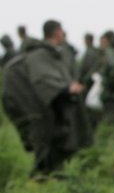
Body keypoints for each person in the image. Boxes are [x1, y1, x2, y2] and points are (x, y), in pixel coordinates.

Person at [1, 19, 92, 173]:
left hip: (43, 109)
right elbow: (43, 79)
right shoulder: (40, 54)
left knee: (57, 146)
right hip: (37, 110)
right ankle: (40, 185)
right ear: (57, 32)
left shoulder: (49, 52)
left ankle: (52, 181)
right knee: (45, 151)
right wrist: (65, 89)